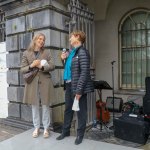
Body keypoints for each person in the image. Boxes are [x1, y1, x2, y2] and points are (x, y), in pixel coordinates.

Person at [56, 30, 94, 145]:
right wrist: (64, 60)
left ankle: (80, 135)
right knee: (68, 109)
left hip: (77, 86)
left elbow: (84, 73)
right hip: (69, 84)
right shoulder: (73, 52)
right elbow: (70, 69)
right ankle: (65, 131)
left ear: (77, 37)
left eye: (71, 37)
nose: (69, 39)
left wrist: (79, 90)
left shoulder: (83, 52)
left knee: (81, 112)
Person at [21, 33, 55, 138]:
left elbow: (53, 66)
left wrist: (42, 66)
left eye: (43, 40)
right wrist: (32, 65)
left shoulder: (47, 52)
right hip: (32, 83)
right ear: (35, 40)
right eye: (40, 39)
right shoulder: (26, 53)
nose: (42, 41)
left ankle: (46, 128)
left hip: (45, 81)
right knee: (34, 105)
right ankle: (36, 128)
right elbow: (22, 69)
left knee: (45, 105)